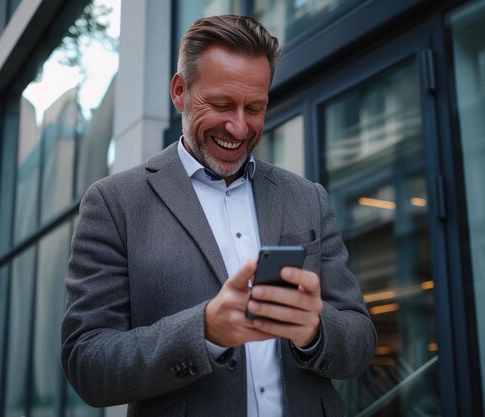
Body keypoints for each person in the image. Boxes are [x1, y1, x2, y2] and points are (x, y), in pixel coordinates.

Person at [61, 15, 376, 417]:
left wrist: (313, 330)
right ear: (180, 92)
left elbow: (361, 339)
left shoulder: (307, 198)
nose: (239, 126)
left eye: (255, 108)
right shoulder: (114, 203)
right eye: (222, 104)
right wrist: (204, 331)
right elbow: (88, 364)